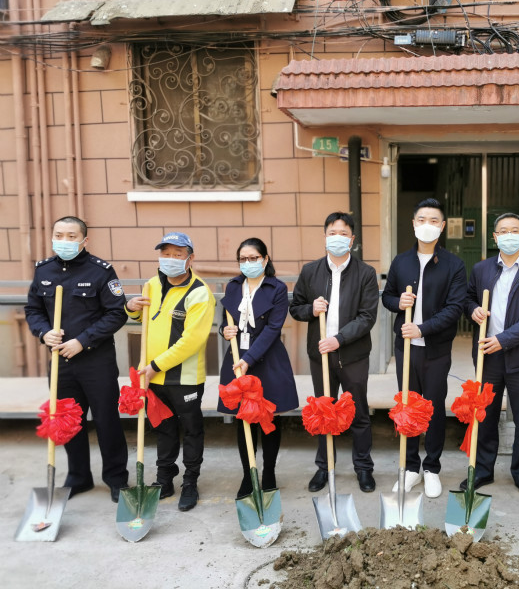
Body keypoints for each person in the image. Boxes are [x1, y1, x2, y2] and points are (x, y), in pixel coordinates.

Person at [25, 216, 129, 502]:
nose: (64, 241)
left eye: (71, 236)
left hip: (96, 360)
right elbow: (33, 309)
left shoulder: (101, 271)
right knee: (68, 419)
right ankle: (79, 476)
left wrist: (83, 341)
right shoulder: (44, 270)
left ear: (84, 240)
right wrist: (44, 332)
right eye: (59, 235)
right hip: (61, 361)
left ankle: (116, 477)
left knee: (106, 420)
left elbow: (116, 313)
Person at [462, 213, 519, 500]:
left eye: (515, 230)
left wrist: (504, 340)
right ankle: (482, 470)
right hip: (487, 354)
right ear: (495, 237)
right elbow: (468, 298)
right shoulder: (482, 269)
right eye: (503, 231)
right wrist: (473, 310)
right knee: (485, 415)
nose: (509, 235)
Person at [382, 197, 467, 498]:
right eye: (421, 220)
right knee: (407, 406)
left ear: (442, 227)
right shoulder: (401, 261)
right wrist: (398, 302)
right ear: (413, 224)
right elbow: (387, 296)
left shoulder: (454, 265)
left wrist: (422, 328)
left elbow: (455, 308)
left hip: (435, 349)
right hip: (406, 348)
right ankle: (410, 468)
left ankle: (431, 468)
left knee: (433, 407)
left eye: (433, 221)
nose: (427, 225)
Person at [125, 232, 215, 512]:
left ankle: (190, 482)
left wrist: (155, 366)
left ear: (190, 258)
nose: (171, 259)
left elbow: (191, 341)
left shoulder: (200, 292)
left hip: (184, 378)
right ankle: (165, 478)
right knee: (163, 429)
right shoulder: (151, 284)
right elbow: (144, 318)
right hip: (153, 378)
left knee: (191, 430)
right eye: (166, 254)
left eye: (178, 254)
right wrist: (130, 308)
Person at [289, 212, 379, 493]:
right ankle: (324, 467)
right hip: (321, 357)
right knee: (323, 412)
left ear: (352, 240)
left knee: (359, 413)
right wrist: (311, 309)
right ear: (325, 236)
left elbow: (367, 317)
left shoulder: (365, 273)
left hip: (353, 356)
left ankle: (363, 467)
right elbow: (296, 308)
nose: (337, 238)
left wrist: (339, 340)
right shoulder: (310, 271)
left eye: (343, 234)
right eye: (332, 233)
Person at [218, 238, 299, 498]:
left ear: (265, 259)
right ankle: (248, 474)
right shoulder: (233, 286)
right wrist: (224, 330)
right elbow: (225, 322)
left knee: (268, 419)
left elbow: (273, 329)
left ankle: (268, 472)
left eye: (253, 258)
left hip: (266, 359)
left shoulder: (277, 288)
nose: (248, 263)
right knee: (243, 419)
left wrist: (249, 359)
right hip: (238, 358)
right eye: (243, 259)